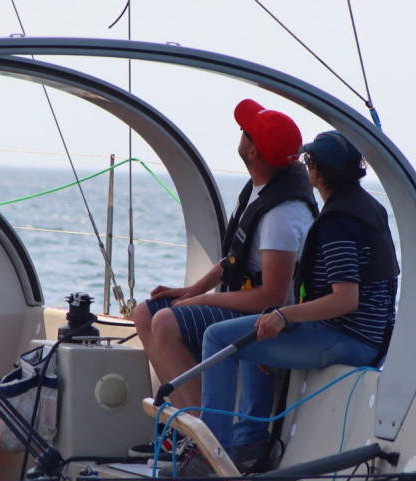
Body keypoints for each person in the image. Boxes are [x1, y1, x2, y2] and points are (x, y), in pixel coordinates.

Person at [166, 130, 400, 477]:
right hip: (372, 338)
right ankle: (248, 444)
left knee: (219, 337)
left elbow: (346, 299)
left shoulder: (338, 223)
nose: (306, 168)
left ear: (318, 172)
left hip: (348, 340)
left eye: (309, 162)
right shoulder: (368, 208)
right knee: (256, 329)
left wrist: (283, 314)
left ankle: (211, 455)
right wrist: (279, 321)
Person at [131, 99, 317, 459]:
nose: (241, 132)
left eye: (246, 131)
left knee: (168, 322)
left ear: (251, 150)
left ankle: (211, 444)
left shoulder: (282, 215)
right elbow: (236, 258)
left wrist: (203, 301)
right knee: (145, 313)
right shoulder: (259, 188)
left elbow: (274, 298)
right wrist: (194, 288)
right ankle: (193, 430)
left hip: (271, 318)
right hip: (249, 301)